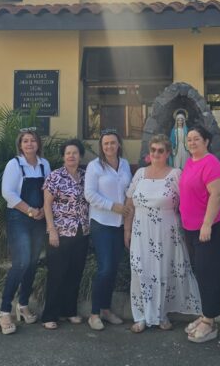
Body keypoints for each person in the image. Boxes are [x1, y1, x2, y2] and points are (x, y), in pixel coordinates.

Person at [124, 134, 201, 333]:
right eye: (153, 150)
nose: (156, 154)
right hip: (141, 231)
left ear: (168, 153)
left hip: (166, 231)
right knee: (140, 271)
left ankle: (161, 314)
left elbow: (187, 201)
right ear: (149, 153)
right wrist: (127, 229)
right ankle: (141, 316)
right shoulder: (140, 173)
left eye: (161, 150)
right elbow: (129, 202)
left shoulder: (175, 174)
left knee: (163, 270)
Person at [0, 127, 50, 335]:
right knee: (21, 262)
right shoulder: (14, 164)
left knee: (33, 262)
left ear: (38, 144)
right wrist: (29, 210)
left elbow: (49, 190)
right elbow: (7, 193)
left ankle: (23, 304)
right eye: (25, 141)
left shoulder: (45, 165)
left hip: (39, 218)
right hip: (19, 217)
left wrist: (42, 212)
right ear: (20, 145)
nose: (29, 144)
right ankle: (3, 311)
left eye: (33, 141)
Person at [178, 125, 220, 344]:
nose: (191, 142)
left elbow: (216, 195)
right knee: (200, 271)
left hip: (209, 228)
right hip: (191, 228)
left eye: (196, 139)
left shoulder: (211, 163)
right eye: (189, 139)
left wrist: (206, 225)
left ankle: (209, 321)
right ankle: (206, 315)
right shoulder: (190, 161)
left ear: (206, 141)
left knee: (208, 272)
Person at [84, 129, 133, 330]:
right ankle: (94, 313)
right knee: (105, 268)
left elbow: (129, 190)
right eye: (106, 144)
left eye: (113, 143)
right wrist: (113, 206)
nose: (109, 147)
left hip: (120, 224)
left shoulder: (125, 164)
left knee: (113, 268)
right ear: (101, 146)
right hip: (102, 222)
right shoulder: (94, 167)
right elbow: (89, 194)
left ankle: (106, 309)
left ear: (119, 144)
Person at [41, 139, 90, 329]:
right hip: (60, 232)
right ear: (63, 156)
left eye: (75, 153)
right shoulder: (55, 176)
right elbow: (47, 204)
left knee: (74, 273)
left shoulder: (86, 176)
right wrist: (51, 230)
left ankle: (69, 311)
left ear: (80, 156)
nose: (71, 156)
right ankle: (49, 316)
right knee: (57, 274)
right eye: (68, 153)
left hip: (82, 231)